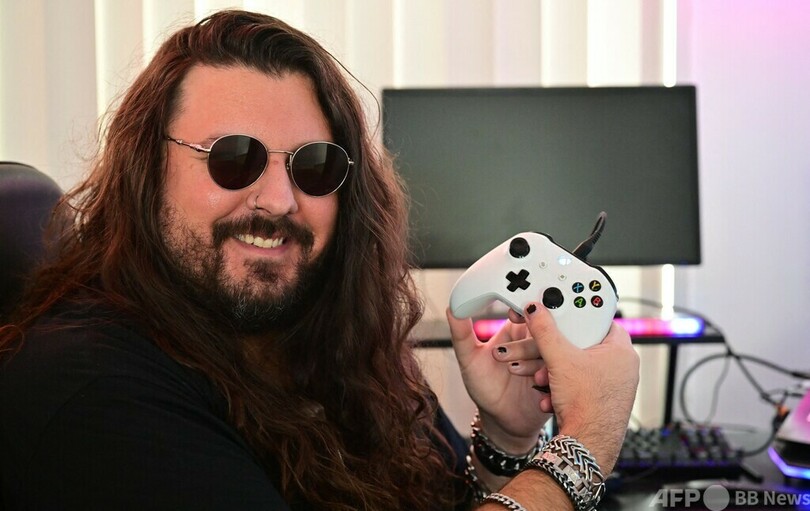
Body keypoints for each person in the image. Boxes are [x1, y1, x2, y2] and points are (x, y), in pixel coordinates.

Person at [0, 9, 639, 511]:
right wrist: (585, 440)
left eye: (314, 166)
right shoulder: (90, 389)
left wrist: (506, 438)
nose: (280, 199)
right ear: (147, 173)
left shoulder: (325, 332)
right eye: (233, 159)